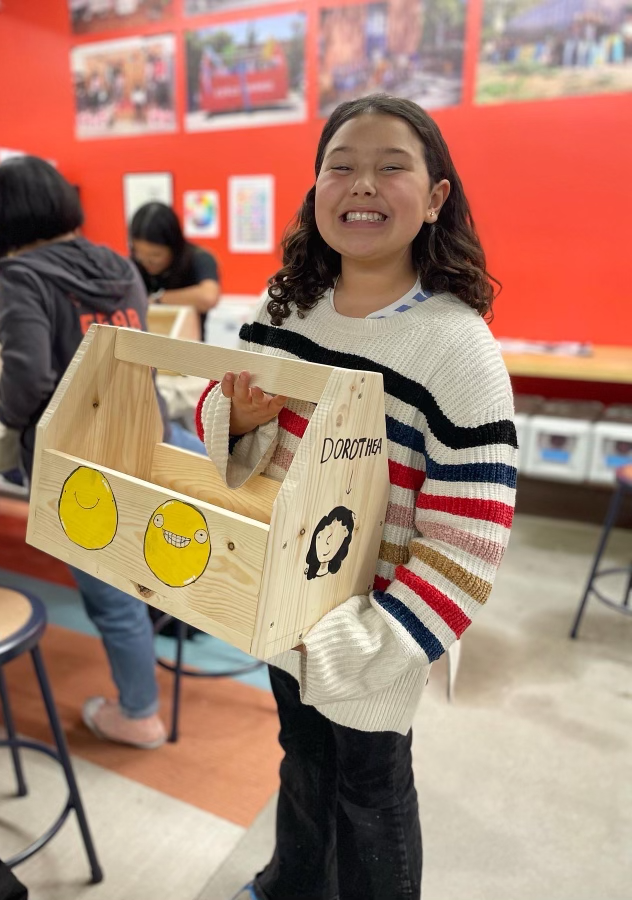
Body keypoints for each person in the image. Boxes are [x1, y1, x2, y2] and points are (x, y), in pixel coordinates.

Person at [196, 94, 517, 900]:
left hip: (376, 633)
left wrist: (369, 643)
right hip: (279, 608)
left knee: (371, 791)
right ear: (316, 190)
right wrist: (237, 417)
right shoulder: (286, 310)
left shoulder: (458, 348)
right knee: (301, 758)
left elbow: (468, 542)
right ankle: (290, 884)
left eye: (390, 167)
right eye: (340, 166)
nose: (362, 184)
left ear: (436, 197)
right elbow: (217, 410)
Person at [0, 155, 174, 750]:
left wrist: (9, 420)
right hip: (143, 435)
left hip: (79, 459)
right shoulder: (119, 264)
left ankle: (139, 714)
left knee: (111, 598)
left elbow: (28, 377)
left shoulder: (21, 275)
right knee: (137, 576)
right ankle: (146, 685)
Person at [130, 201, 220, 340]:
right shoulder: (133, 265)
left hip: (189, 346)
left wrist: (158, 299)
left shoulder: (198, 259)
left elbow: (208, 297)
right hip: (143, 344)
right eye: (140, 255)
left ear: (173, 246)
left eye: (155, 255)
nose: (148, 263)